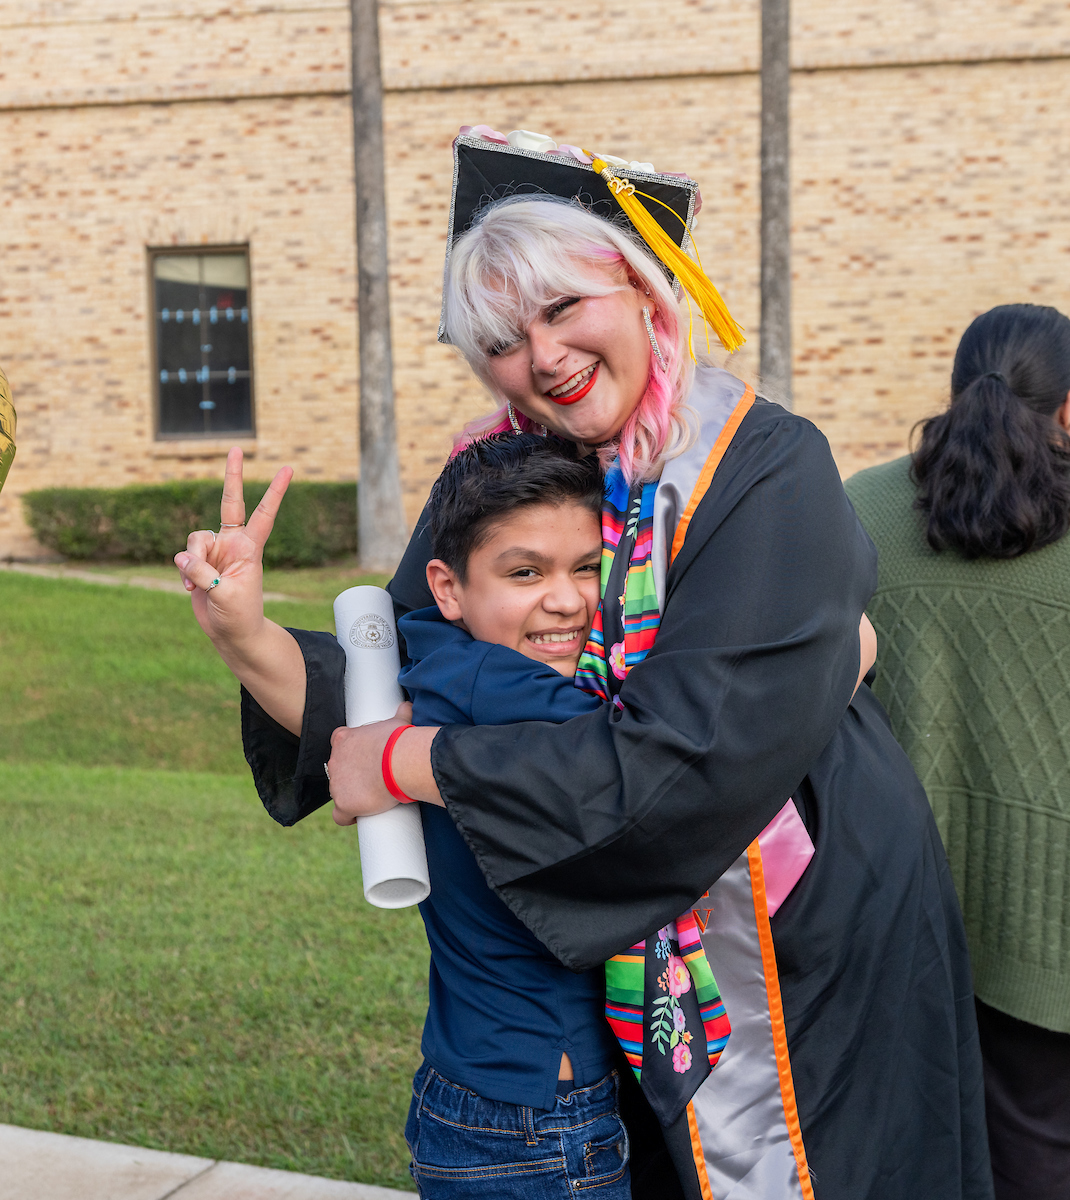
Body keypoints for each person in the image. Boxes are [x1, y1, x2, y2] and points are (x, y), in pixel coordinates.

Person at [175, 130, 993, 1200]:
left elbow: (689, 752)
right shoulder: (504, 464)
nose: (542, 355)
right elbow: (401, 674)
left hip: (801, 936)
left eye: (564, 309)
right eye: (504, 339)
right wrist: (243, 631)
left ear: (642, 292)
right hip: (616, 967)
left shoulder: (757, 462)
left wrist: (419, 763)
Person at [845, 303, 1070, 1200]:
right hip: (1048, 918)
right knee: (1040, 1149)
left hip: (885, 901)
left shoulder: (857, 508)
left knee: (899, 1145)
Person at [397, 432, 628, 1195]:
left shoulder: (443, 657)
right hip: (543, 1115)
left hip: (470, 1088)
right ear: (449, 585)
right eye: (525, 572)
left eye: (588, 568)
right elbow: (667, 756)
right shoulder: (519, 693)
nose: (566, 598)